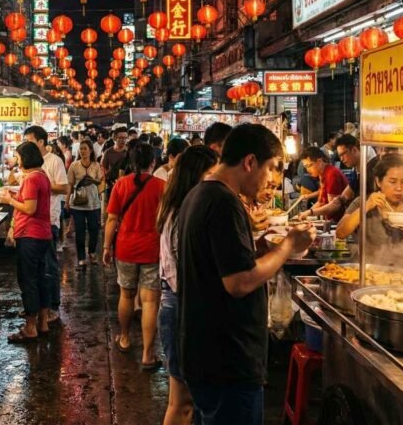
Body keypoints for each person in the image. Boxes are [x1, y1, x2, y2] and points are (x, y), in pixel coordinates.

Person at [176, 124, 313, 425]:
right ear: (250, 162)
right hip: (227, 361)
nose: (272, 180)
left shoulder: (200, 194)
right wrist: (288, 246)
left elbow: (223, 263)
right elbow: (239, 282)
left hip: (205, 353)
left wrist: (262, 247)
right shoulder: (224, 202)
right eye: (271, 169)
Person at [157, 145, 218, 425]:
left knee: (187, 400)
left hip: (180, 306)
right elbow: (191, 271)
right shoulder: (184, 214)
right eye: (211, 174)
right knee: (182, 402)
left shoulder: (179, 208)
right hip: (182, 309)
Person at [103, 142, 166, 370]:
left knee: (127, 295)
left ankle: (125, 338)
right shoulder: (163, 186)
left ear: (131, 162)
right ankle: (148, 354)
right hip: (153, 249)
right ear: (153, 162)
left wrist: (106, 248)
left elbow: (111, 219)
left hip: (126, 248)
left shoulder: (121, 184)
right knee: (150, 301)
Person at [0, 142, 53, 343]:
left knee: (28, 280)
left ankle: (30, 327)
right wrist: (14, 195)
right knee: (40, 278)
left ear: (26, 158)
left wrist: (8, 201)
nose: (17, 161)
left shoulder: (32, 179)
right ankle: (43, 322)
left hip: (30, 235)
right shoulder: (41, 175)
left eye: (19, 157)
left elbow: (29, 208)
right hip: (42, 235)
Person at [336, 155, 403, 266]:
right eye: (393, 182)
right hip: (368, 272)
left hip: (401, 275)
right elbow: (340, 233)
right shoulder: (363, 202)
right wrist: (366, 206)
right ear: (378, 182)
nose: (399, 188)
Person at [23, 126, 69, 321]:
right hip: (31, 222)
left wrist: (42, 185)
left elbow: (65, 187)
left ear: (41, 142)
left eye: (30, 141)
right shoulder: (29, 163)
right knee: (36, 269)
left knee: (49, 265)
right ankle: (37, 308)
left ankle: (53, 306)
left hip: (49, 219)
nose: (26, 144)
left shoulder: (54, 161)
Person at [68, 139, 105, 268]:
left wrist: (92, 180)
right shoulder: (74, 165)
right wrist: (67, 201)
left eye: (85, 148)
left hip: (93, 203)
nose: (83, 151)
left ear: (90, 150)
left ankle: (92, 252)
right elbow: (70, 185)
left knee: (94, 230)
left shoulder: (96, 165)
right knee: (80, 231)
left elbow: (100, 182)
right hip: (77, 203)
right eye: (81, 148)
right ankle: (81, 257)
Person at [300, 146, 350, 220]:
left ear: (319, 162)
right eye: (305, 167)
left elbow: (333, 207)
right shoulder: (322, 174)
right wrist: (306, 213)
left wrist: (310, 212)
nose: (307, 170)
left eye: (309, 166)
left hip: (339, 221)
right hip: (330, 220)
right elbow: (321, 201)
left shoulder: (332, 174)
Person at [102, 126, 130, 201]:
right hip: (112, 186)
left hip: (127, 187)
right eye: (120, 138)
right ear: (115, 138)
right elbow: (103, 170)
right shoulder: (108, 152)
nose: (123, 140)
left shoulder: (130, 152)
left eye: (125, 138)